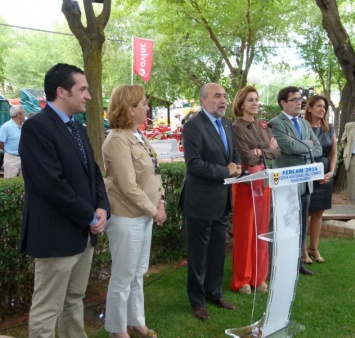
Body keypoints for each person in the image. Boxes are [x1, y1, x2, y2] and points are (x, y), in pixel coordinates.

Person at [19, 63, 110, 337]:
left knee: (73, 299)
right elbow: (51, 185)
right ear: (61, 91)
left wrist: (103, 207)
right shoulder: (37, 128)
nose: (89, 96)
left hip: (83, 234)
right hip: (55, 236)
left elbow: (94, 173)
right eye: (82, 89)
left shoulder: (77, 129)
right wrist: (90, 216)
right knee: (48, 308)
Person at [102, 84, 166, 338]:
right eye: (143, 104)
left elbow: (154, 175)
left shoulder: (137, 135)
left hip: (144, 215)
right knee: (122, 277)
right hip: (126, 217)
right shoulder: (117, 139)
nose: (147, 107)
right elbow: (127, 186)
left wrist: (160, 202)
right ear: (130, 108)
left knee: (138, 273)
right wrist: (154, 211)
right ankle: (117, 330)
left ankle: (136, 321)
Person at [179, 83, 241, 321]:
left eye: (224, 96)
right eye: (217, 96)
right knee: (198, 254)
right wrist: (226, 171)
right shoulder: (193, 126)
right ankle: (197, 301)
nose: (223, 100)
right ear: (204, 100)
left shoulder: (226, 123)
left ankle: (214, 293)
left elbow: (232, 153)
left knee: (217, 250)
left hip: (222, 199)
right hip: (200, 201)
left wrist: (235, 166)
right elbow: (194, 164)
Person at [230, 86, 280, 294]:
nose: (255, 103)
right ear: (241, 103)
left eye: (257, 99)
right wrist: (264, 150)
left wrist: (260, 151)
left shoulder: (262, 124)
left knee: (261, 231)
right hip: (246, 183)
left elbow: (276, 152)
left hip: (264, 182)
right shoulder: (236, 127)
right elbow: (245, 157)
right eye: (250, 100)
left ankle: (259, 278)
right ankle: (242, 279)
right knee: (245, 231)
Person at [269, 86, 322, 276]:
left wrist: (303, 145)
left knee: (301, 224)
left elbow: (319, 148)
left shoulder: (304, 123)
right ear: (283, 103)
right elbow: (288, 147)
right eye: (295, 99)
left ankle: (298, 262)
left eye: (300, 99)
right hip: (286, 183)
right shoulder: (276, 123)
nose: (300, 102)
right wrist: (306, 145)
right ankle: (277, 264)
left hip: (305, 182)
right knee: (283, 224)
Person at [302, 95, 337, 264]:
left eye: (324, 106)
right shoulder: (302, 128)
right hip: (307, 175)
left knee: (318, 213)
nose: (322, 109)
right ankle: (302, 250)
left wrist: (331, 172)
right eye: (318, 106)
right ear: (309, 108)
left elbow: (333, 153)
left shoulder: (329, 129)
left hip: (325, 176)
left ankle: (314, 248)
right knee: (305, 212)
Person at [0, 105, 26, 178]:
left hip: (24, 158)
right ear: (18, 115)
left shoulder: (25, 126)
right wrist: (8, 150)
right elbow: (0, 143)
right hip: (11, 158)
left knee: (24, 181)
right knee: (10, 181)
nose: (25, 115)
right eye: (24, 113)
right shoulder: (6, 127)